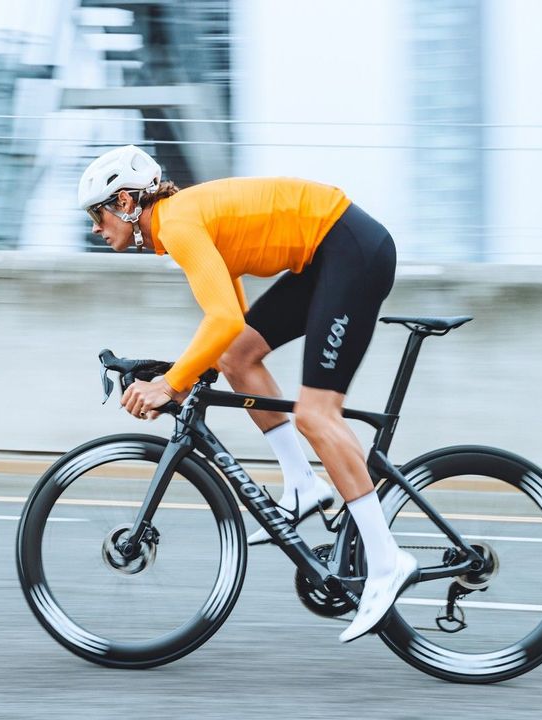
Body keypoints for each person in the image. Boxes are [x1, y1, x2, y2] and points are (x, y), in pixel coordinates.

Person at [77, 145, 418, 643]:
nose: (95, 228)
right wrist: (180, 374)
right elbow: (229, 331)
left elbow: (222, 319)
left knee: (316, 414)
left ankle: (387, 562)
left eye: (97, 214)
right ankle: (303, 485)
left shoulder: (177, 224)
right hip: (328, 254)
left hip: (350, 250)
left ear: (126, 201)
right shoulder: (182, 223)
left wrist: (170, 386)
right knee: (238, 356)